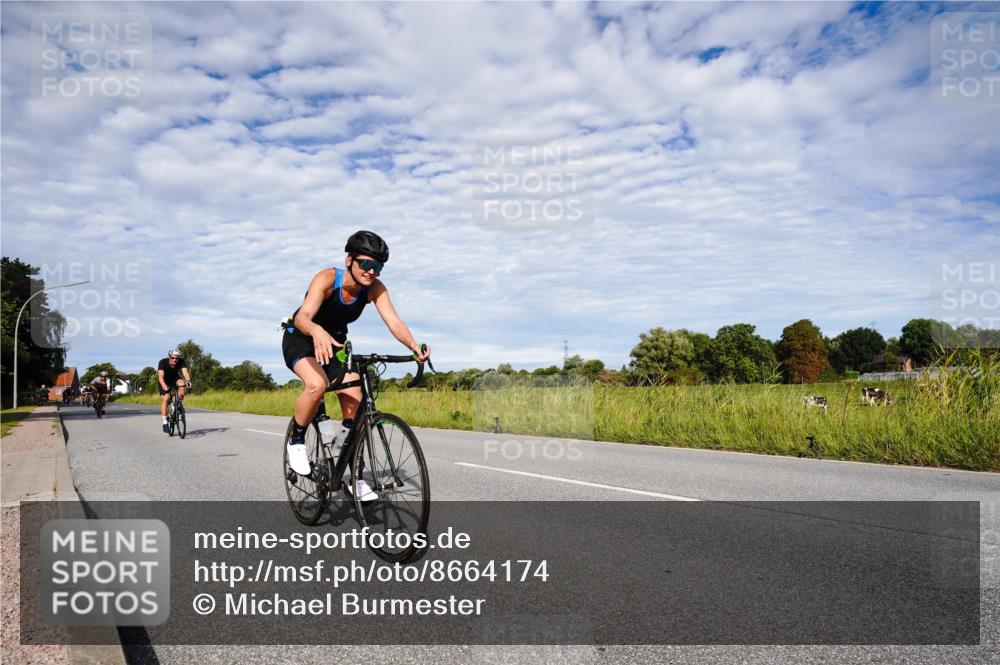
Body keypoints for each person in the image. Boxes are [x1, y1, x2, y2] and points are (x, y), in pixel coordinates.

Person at [281, 230, 430, 499]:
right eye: (366, 263)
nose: (371, 271)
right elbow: (303, 316)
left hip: (335, 344)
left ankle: (352, 470)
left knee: (355, 398)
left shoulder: (374, 289)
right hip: (302, 337)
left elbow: (394, 322)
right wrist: (316, 331)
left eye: (378, 267)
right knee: (317, 384)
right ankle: (297, 440)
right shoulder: (328, 278)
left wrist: (414, 346)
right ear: (349, 260)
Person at [157, 349, 192, 434]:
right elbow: (160, 376)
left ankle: (178, 404)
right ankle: (165, 422)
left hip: (174, 379)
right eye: (172, 358)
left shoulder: (181, 361)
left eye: (177, 358)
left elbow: (185, 373)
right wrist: (164, 385)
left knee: (182, 384)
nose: (175, 360)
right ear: (169, 357)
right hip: (164, 381)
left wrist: (188, 381)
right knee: (166, 398)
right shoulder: (162, 362)